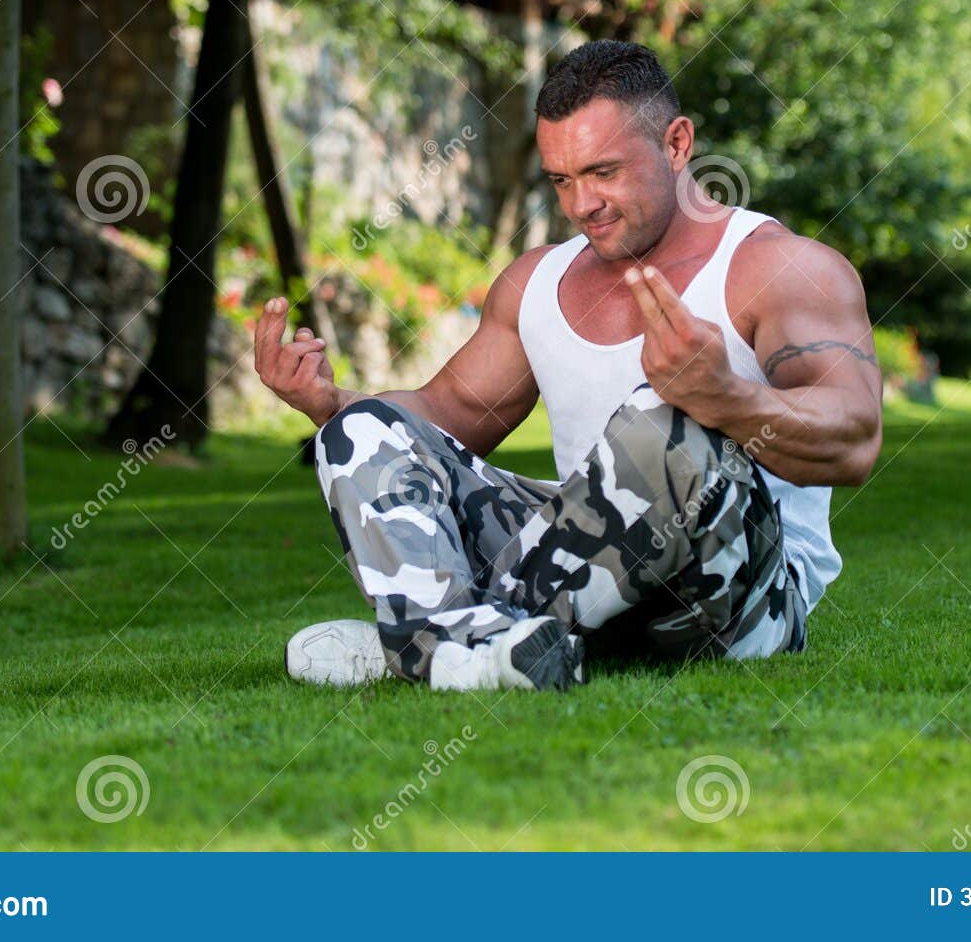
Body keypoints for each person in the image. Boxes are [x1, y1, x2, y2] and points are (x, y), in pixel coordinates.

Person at [255, 40, 882, 692]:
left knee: (664, 418)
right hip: (584, 587)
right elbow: (452, 416)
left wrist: (724, 397)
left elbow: (856, 438)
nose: (581, 204)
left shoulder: (778, 267)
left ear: (676, 144)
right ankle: (470, 648)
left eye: (604, 171)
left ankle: (431, 641)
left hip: (735, 604)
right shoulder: (537, 282)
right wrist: (331, 406)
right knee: (362, 431)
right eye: (561, 180)